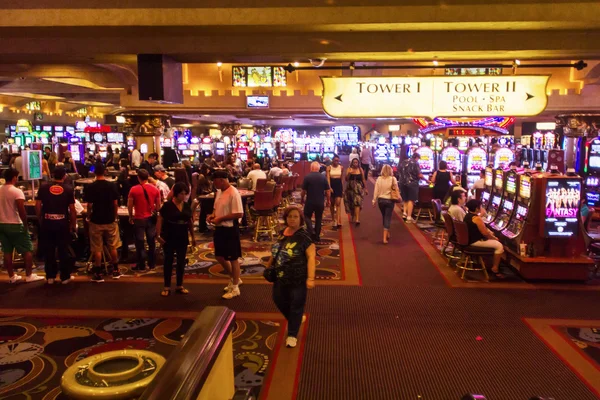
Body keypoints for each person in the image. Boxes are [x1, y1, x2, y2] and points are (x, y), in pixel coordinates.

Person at [265, 206, 316, 348]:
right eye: (289, 217)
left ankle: (292, 334)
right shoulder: (282, 233)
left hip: (298, 277)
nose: (292, 219)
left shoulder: (304, 236)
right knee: (278, 299)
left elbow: (311, 257)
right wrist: (268, 267)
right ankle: (296, 319)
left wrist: (310, 278)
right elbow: (275, 251)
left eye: (295, 217)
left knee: (296, 305)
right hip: (280, 276)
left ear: (300, 219)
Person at [0, 169, 43, 283]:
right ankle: (29, 275)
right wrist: (25, 224)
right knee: (27, 249)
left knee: (7, 251)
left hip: (2, 224)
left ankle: (11, 277)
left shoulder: (0, 189)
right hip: (15, 224)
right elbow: (21, 209)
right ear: (14, 177)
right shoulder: (17, 191)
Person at [35, 167, 77, 284]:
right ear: (64, 176)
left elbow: (37, 205)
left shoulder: (43, 187)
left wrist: (40, 219)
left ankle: (50, 277)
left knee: (49, 250)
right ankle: (65, 277)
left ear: (52, 175)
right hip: (62, 223)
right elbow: (72, 209)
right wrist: (73, 224)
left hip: (47, 222)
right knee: (63, 250)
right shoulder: (68, 189)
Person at [208, 170, 244, 299]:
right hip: (220, 228)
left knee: (233, 258)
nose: (213, 184)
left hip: (230, 229)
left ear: (222, 180)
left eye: (215, 181)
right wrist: (213, 215)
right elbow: (216, 207)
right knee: (219, 256)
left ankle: (235, 288)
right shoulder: (219, 191)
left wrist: (221, 218)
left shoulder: (233, 193)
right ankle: (235, 278)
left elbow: (239, 213)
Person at [84, 163, 122, 282]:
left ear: (94, 173)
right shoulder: (111, 186)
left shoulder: (91, 187)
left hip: (96, 220)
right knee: (113, 245)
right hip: (110, 219)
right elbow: (115, 203)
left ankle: (98, 273)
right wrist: (115, 216)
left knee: (97, 248)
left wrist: (89, 216)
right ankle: (116, 270)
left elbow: (89, 205)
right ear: (105, 172)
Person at [156, 182, 196, 297]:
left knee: (181, 261)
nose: (184, 196)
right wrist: (158, 235)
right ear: (176, 194)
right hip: (169, 234)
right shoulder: (168, 205)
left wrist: (193, 237)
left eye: (185, 194)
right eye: (181, 194)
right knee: (168, 261)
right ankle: (166, 286)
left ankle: (179, 285)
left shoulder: (186, 205)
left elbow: (190, 222)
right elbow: (160, 219)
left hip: (182, 234)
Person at [128, 169, 161, 271]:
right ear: (148, 177)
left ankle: (141, 264)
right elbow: (158, 206)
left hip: (138, 218)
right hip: (150, 218)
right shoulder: (155, 189)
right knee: (151, 242)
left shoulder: (133, 189)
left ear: (138, 178)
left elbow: (130, 205)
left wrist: (130, 216)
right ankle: (152, 263)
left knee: (140, 242)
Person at [464, 199, 505, 278]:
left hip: (469, 240)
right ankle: (495, 268)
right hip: (475, 242)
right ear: (476, 208)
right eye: (480, 206)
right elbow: (485, 233)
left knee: (495, 242)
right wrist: (494, 238)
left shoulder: (467, 216)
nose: (482, 208)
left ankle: (489, 262)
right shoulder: (477, 219)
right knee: (499, 246)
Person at [301, 161, 331, 242]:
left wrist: (302, 199)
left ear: (311, 168)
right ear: (319, 168)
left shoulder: (307, 177)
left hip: (310, 201)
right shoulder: (323, 177)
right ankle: (317, 236)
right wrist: (328, 201)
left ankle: (311, 230)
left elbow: (303, 191)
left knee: (306, 216)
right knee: (319, 218)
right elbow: (327, 191)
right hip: (320, 202)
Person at [372, 164, 399, 244]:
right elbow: (397, 189)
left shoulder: (379, 179)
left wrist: (374, 200)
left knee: (384, 216)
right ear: (390, 170)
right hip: (390, 200)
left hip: (381, 201)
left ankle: (387, 232)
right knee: (387, 217)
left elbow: (376, 190)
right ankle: (384, 238)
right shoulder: (393, 179)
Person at [399, 153, 424, 223]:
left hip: (402, 182)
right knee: (411, 199)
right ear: (416, 157)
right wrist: (427, 180)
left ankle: (404, 213)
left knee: (405, 199)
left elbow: (399, 171)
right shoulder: (415, 163)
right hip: (412, 183)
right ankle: (409, 217)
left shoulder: (404, 162)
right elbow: (419, 175)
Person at [344, 158, 367, 226]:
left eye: (356, 162)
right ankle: (353, 214)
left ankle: (357, 219)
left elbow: (363, 179)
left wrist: (366, 188)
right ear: (352, 163)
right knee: (351, 203)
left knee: (357, 202)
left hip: (358, 188)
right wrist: (349, 174)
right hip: (350, 188)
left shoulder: (360, 169)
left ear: (358, 163)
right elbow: (346, 179)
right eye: (354, 162)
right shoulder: (349, 169)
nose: (355, 164)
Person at [326, 155, 344, 229]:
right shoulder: (329, 167)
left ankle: (338, 220)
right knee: (332, 204)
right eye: (335, 160)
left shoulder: (341, 167)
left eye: (337, 160)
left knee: (338, 202)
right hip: (332, 185)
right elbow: (328, 178)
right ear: (332, 160)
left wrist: (341, 187)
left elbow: (341, 178)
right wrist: (329, 187)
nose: (336, 162)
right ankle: (333, 219)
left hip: (338, 185)